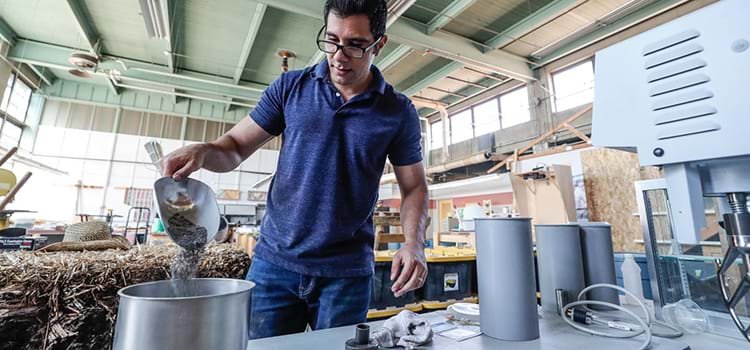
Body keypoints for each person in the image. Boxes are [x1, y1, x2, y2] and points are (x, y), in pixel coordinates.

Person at [160, 0, 429, 339]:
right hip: (274, 265)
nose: (338, 55)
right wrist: (203, 151)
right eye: (331, 40)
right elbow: (234, 148)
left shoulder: (397, 111)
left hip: (345, 275)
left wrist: (414, 243)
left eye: (356, 45)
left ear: (380, 43)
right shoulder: (291, 88)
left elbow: (414, 187)